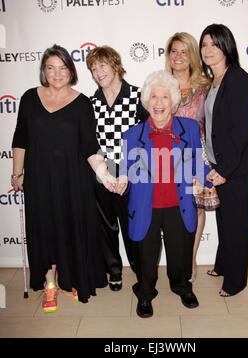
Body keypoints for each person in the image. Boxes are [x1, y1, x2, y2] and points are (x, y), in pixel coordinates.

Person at [11, 44, 116, 312]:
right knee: (44, 229)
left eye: (62, 68)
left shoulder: (82, 103)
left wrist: (106, 176)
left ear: (71, 71)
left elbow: (89, 146)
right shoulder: (29, 98)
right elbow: (20, 139)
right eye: (50, 68)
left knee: (70, 228)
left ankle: (72, 278)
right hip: (39, 180)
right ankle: (49, 284)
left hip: (74, 180)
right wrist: (16, 173)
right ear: (43, 72)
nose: (57, 74)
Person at [116, 70, 204, 318]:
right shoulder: (133, 134)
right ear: (146, 101)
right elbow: (124, 166)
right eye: (153, 97)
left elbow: (199, 163)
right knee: (146, 257)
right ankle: (145, 294)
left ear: (174, 101)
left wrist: (205, 176)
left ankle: (182, 287)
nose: (158, 103)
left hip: (180, 203)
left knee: (180, 253)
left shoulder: (189, 128)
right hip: (146, 206)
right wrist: (117, 177)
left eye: (164, 97)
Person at [199, 24, 248, 297]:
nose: (208, 50)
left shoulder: (237, 78)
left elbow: (241, 130)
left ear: (227, 46)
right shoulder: (214, 80)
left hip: (237, 166)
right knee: (225, 220)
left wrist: (225, 170)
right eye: (204, 45)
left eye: (215, 44)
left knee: (237, 223)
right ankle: (223, 264)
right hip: (221, 163)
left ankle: (235, 281)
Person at [86, 46, 148, 291]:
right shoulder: (90, 103)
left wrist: (128, 173)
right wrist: (105, 174)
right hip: (102, 171)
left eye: (102, 65)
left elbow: (146, 139)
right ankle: (113, 269)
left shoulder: (138, 96)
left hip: (132, 170)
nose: (97, 72)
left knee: (134, 224)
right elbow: (89, 142)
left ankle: (140, 269)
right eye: (93, 68)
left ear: (115, 64)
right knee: (106, 224)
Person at [165, 32, 219, 282]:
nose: (178, 56)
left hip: (197, 156)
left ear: (192, 55)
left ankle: (191, 260)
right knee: (173, 212)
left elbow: (215, 122)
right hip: (167, 157)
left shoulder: (206, 85)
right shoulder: (160, 83)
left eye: (183, 51)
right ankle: (176, 261)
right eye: (173, 51)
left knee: (196, 211)